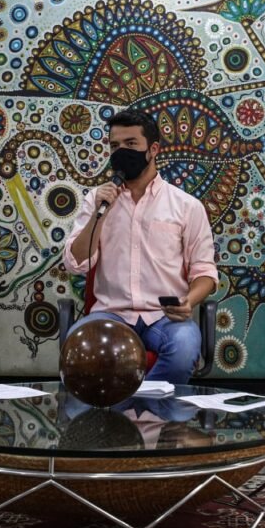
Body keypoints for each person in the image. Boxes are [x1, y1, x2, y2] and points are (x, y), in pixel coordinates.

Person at [63, 109, 218, 386]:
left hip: (164, 317)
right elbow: (76, 263)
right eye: (115, 146)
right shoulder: (95, 200)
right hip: (110, 313)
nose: (121, 152)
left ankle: (143, 409)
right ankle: (121, 412)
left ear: (153, 149)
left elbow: (204, 271)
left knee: (184, 349)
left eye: (131, 143)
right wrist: (99, 213)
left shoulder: (186, 206)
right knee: (79, 353)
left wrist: (189, 301)